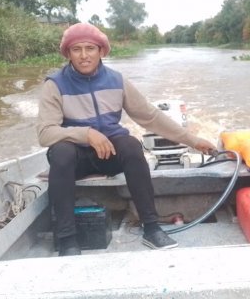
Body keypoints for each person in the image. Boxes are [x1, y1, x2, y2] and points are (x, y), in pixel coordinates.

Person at [37, 23, 216, 256]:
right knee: (60, 152)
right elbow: (45, 133)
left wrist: (192, 140)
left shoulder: (116, 81)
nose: (83, 56)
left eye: (90, 48)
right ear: (68, 54)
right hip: (75, 160)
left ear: (101, 51)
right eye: (76, 49)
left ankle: (151, 228)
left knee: (131, 146)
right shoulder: (55, 85)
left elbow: (149, 116)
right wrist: (86, 134)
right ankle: (67, 240)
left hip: (108, 154)